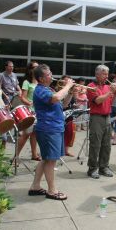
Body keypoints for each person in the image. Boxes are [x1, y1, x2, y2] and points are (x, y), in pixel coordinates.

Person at [28, 64, 74, 200]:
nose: (52, 75)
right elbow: (56, 98)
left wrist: (70, 93)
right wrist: (67, 86)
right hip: (49, 129)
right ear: (41, 78)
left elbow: (63, 104)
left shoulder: (48, 89)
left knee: (46, 158)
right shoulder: (41, 90)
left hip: (55, 127)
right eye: (48, 74)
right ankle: (52, 190)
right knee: (51, 161)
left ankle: (35, 186)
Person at [86, 65, 116, 179]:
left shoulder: (108, 87)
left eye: (107, 74)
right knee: (95, 144)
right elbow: (98, 101)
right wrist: (110, 93)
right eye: (104, 73)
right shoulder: (91, 86)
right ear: (97, 74)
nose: (106, 76)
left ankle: (104, 166)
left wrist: (114, 95)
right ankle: (93, 168)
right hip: (96, 117)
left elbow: (109, 102)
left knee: (107, 144)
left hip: (107, 116)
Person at [16, 61, 40, 161]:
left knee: (34, 134)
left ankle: (34, 155)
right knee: (26, 134)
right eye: (35, 67)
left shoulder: (40, 82)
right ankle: (15, 157)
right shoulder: (27, 82)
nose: (37, 68)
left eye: (38, 67)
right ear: (30, 69)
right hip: (30, 111)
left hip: (39, 111)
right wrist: (29, 103)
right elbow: (22, 97)